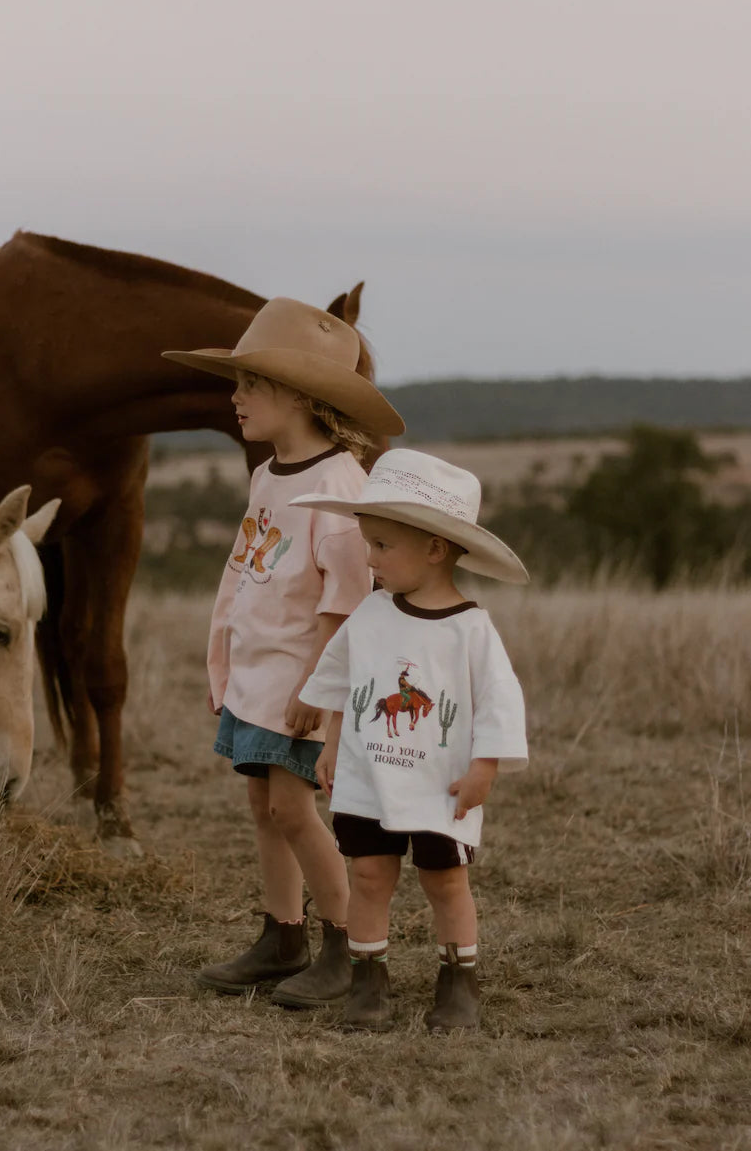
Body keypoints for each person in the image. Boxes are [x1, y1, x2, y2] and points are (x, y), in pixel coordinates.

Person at [162, 298, 404, 1007]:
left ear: (299, 397)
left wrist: (317, 690)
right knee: (262, 802)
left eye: (250, 385)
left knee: (295, 809)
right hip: (258, 676)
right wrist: (227, 661)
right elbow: (246, 576)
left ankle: (346, 945)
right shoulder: (269, 475)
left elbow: (348, 604)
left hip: (302, 685)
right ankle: (282, 933)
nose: (233, 398)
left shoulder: (338, 489)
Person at [291, 448, 529, 1032]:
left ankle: (459, 983)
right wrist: (329, 744)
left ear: (435, 547)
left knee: (445, 881)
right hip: (368, 777)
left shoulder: (470, 629)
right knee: (368, 877)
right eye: (367, 544)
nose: (370, 560)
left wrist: (485, 769)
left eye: (382, 546)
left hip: (438, 785)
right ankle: (369, 983)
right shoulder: (370, 614)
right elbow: (348, 682)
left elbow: (500, 704)